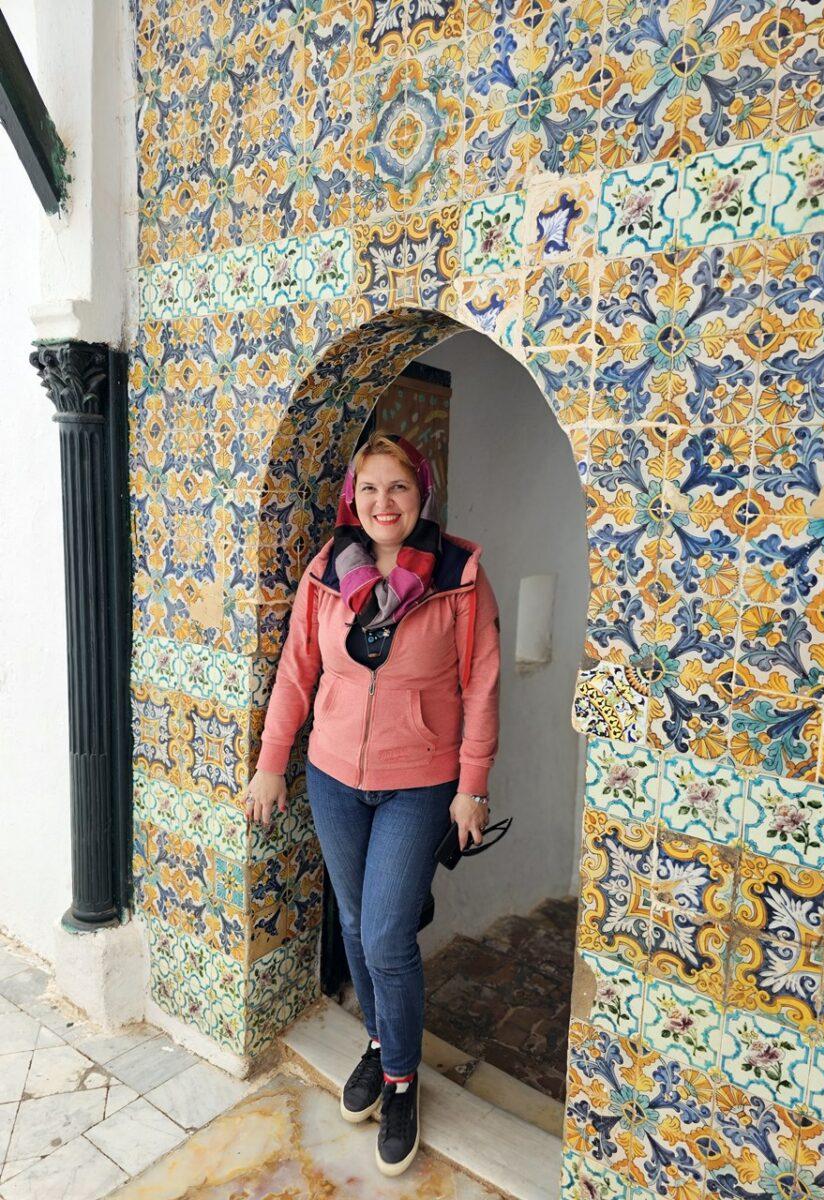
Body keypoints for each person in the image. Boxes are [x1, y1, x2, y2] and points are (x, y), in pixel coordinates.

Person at [242, 429, 501, 1177]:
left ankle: (402, 1082)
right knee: (355, 921)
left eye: (399, 487)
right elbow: (298, 670)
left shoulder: (459, 574)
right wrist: (271, 763)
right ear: (352, 500)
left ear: (423, 494)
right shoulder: (328, 569)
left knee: (386, 933)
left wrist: (472, 785)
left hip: (419, 781)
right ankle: (382, 1042)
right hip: (332, 775)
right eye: (369, 489)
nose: (384, 502)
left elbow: (482, 684)